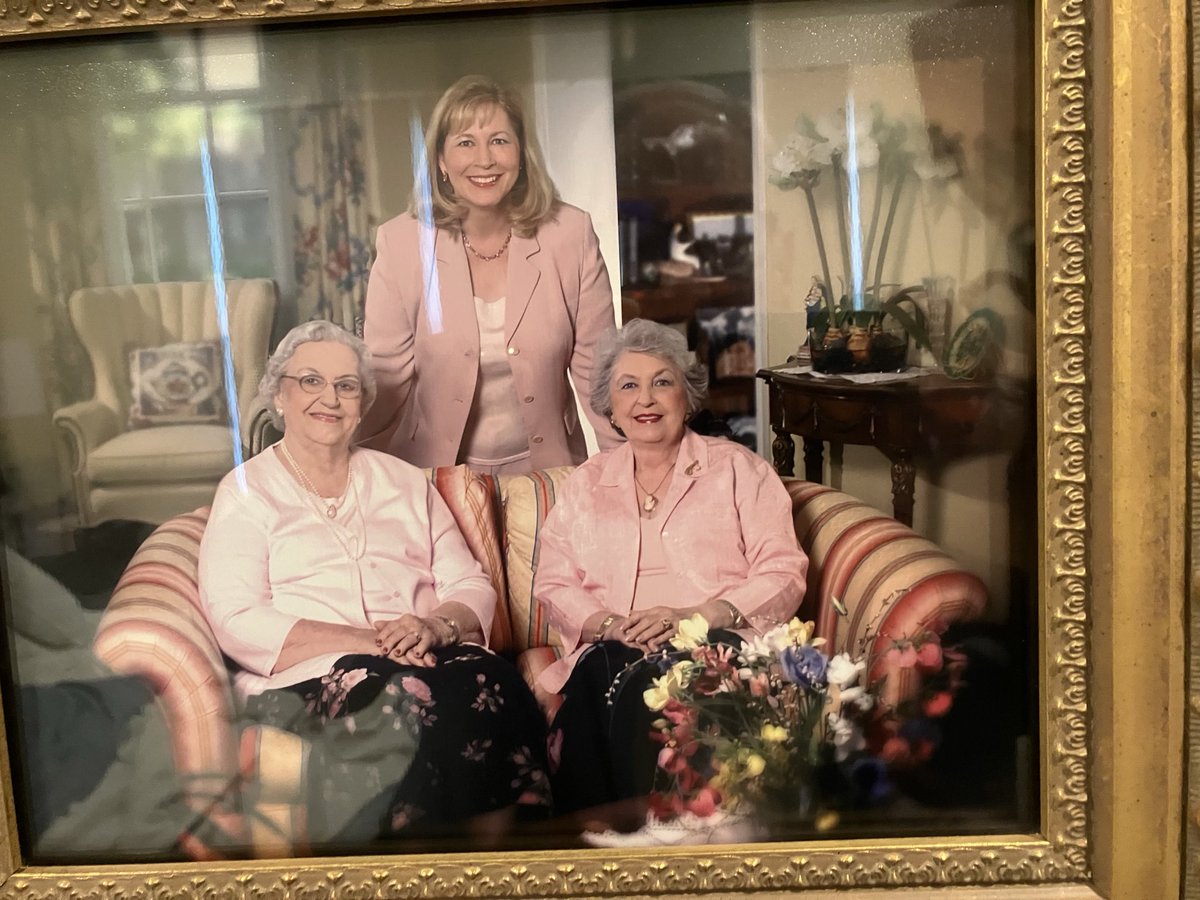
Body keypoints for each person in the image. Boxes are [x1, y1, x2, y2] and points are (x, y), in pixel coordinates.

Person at [198, 321, 549, 850]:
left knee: (493, 678)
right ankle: (411, 874)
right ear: (279, 394)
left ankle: (491, 869)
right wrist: (366, 641)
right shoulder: (247, 492)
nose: (329, 399)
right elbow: (235, 617)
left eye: (346, 386)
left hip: (425, 654)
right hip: (311, 673)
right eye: (311, 381)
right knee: (410, 699)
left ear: (362, 403)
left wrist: (434, 624)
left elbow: (470, 583)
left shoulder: (405, 482)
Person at [532, 319, 809, 818]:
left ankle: (663, 850)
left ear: (687, 396)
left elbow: (783, 572)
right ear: (610, 407)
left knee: (664, 684)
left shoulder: (738, 470)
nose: (646, 400)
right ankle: (601, 856)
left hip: (714, 640)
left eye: (662, 382)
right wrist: (613, 624)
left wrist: (696, 615)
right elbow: (553, 582)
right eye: (629, 386)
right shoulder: (585, 484)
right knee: (599, 678)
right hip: (612, 645)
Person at [359, 75, 619, 475]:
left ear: (520, 153)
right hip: (433, 476)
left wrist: (632, 469)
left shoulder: (571, 234)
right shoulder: (402, 244)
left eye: (499, 140)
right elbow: (385, 377)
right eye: (466, 143)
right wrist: (343, 467)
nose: (485, 160)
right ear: (442, 161)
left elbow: (597, 372)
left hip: (549, 474)